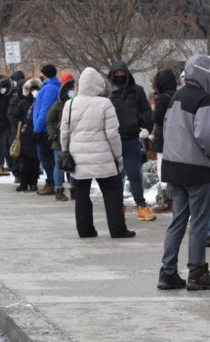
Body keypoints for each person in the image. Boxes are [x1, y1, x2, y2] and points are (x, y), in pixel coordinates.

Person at [157, 55, 210, 291]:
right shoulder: (205, 100)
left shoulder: (177, 96)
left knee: (178, 221)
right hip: (198, 170)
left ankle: (168, 272)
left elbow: (167, 129)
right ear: (205, 74)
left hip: (175, 168)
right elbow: (206, 136)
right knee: (198, 222)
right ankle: (197, 271)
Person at [60, 67, 134, 239]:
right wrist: (117, 155)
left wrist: (65, 151)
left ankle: (85, 230)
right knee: (111, 192)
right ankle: (117, 229)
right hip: (103, 156)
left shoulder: (69, 105)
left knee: (81, 194)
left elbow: (65, 132)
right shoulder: (105, 104)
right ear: (99, 84)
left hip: (78, 157)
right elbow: (112, 133)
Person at [108, 61, 156, 221]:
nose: (120, 77)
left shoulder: (137, 91)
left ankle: (141, 206)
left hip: (132, 139)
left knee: (135, 174)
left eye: (122, 74)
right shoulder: (109, 95)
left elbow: (147, 112)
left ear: (127, 74)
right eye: (117, 74)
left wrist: (145, 127)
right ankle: (117, 205)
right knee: (115, 176)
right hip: (114, 140)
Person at [150, 68, 178, 214]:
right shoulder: (179, 95)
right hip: (176, 137)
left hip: (163, 138)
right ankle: (174, 199)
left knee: (163, 170)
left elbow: (158, 118)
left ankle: (166, 200)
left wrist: (153, 110)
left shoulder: (162, 98)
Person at [46, 73, 77, 201]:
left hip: (74, 140)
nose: (72, 92)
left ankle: (74, 189)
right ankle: (58, 188)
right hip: (59, 141)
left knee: (74, 165)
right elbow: (49, 120)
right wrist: (53, 134)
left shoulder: (77, 104)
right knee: (60, 166)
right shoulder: (58, 105)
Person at [33, 64, 61, 195]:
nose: (40, 75)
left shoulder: (49, 88)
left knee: (45, 157)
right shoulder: (54, 86)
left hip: (44, 130)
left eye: (42, 73)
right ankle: (53, 181)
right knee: (48, 157)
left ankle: (52, 182)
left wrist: (37, 129)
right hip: (47, 128)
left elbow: (45, 110)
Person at [15, 78, 42, 192]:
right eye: (33, 89)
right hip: (25, 134)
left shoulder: (41, 102)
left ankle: (33, 182)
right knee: (24, 160)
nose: (35, 92)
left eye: (37, 89)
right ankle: (24, 183)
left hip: (37, 134)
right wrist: (23, 123)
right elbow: (15, 116)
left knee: (35, 160)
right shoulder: (23, 102)